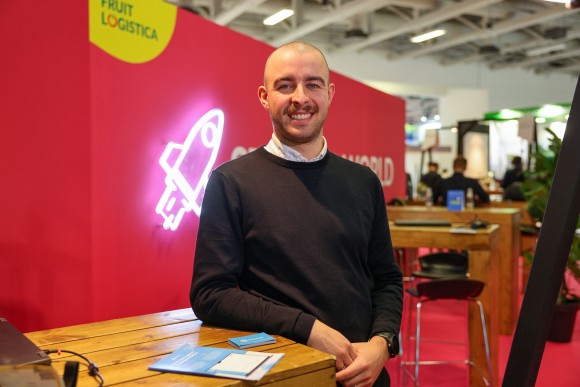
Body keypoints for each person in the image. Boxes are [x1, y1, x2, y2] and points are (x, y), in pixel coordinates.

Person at [190, 41, 403, 387]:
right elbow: (210, 294)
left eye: (313, 84)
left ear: (330, 93)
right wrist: (309, 329)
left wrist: (382, 343)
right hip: (284, 376)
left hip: (364, 375)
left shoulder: (363, 182)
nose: (300, 97)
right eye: (285, 85)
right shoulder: (230, 182)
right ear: (264, 96)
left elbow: (387, 279)